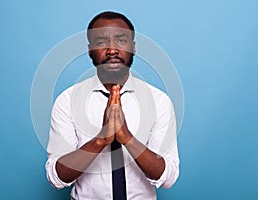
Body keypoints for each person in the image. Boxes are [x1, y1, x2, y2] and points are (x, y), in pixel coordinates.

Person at [46, 11, 179, 200]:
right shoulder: (67, 100)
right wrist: (101, 139)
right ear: (90, 50)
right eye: (101, 42)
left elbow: (168, 178)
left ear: (133, 47)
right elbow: (56, 177)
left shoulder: (158, 101)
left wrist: (127, 138)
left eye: (121, 41)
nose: (112, 50)